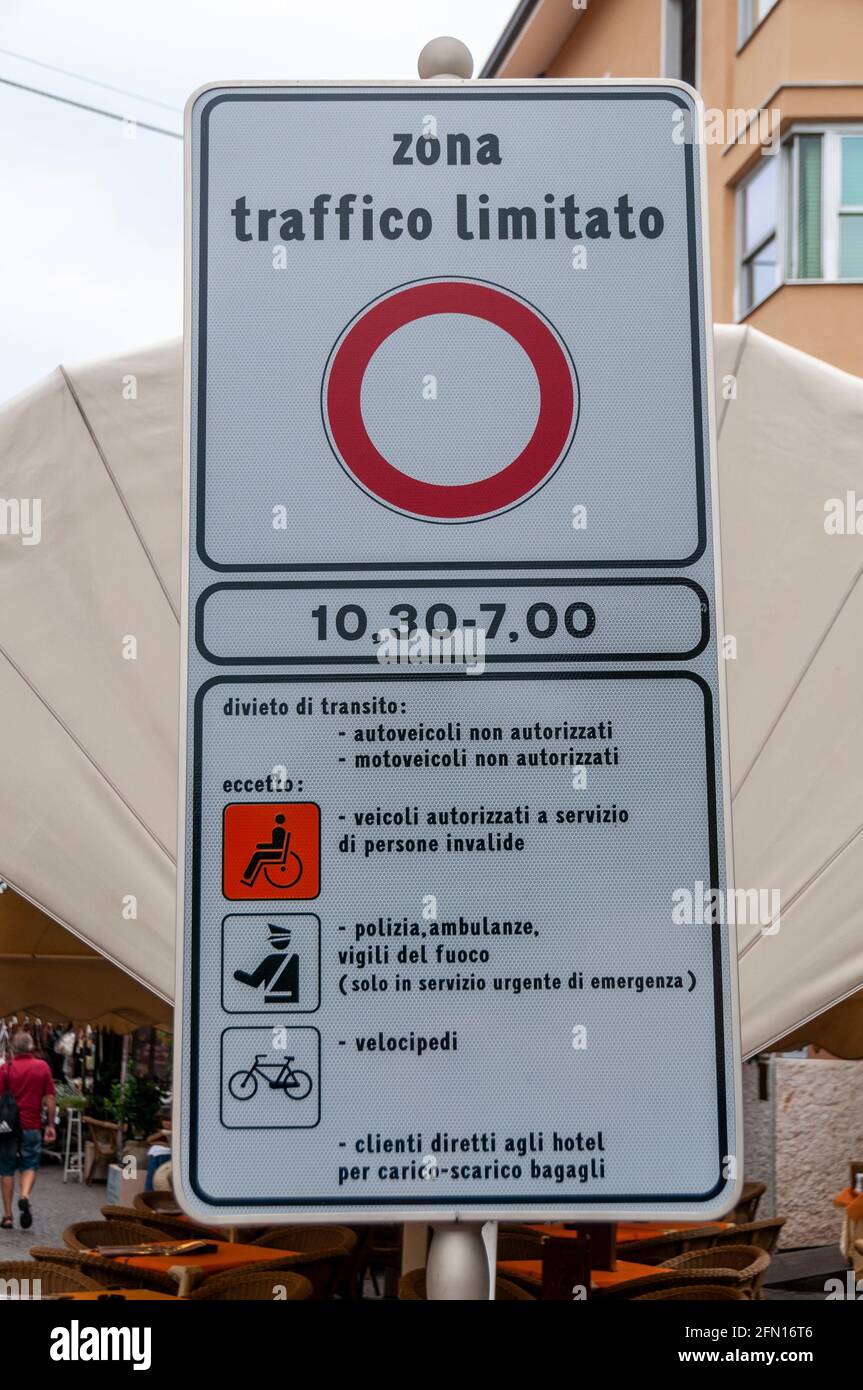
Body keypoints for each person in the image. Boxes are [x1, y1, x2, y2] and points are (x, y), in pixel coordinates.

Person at [0, 1030, 56, 1230]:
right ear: (32, 1047)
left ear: (13, 1048)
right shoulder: (42, 1067)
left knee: (6, 1168)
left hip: (8, 1128)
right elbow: (50, 1098)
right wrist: (50, 1124)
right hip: (32, 1125)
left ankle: (7, 1217)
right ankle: (24, 1196)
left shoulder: (6, 1068)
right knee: (30, 1164)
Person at [241, 814, 287, 885]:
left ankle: (247, 876)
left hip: (277, 853)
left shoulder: (277, 830)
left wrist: (262, 846)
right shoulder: (281, 830)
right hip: (277, 851)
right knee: (257, 854)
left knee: (257, 855)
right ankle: (247, 876)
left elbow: (276, 846)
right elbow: (275, 845)